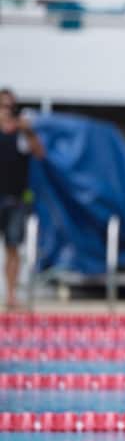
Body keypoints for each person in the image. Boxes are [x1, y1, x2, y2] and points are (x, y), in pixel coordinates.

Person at [0, 89, 45, 310]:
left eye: (10, 107)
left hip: (15, 199)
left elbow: (40, 153)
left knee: (13, 248)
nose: (7, 111)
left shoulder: (22, 135)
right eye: (3, 106)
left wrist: (28, 131)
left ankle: (11, 295)